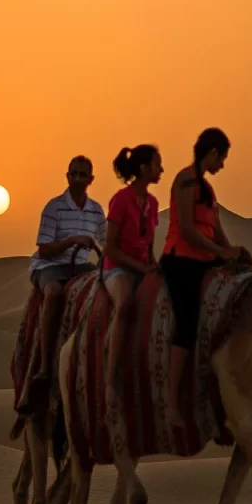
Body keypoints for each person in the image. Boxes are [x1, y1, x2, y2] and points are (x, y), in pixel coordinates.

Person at [160, 128, 251, 427]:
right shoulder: (185, 181)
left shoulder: (208, 191)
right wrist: (219, 252)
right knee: (186, 324)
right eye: (222, 158)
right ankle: (171, 403)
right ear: (212, 153)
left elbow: (217, 231)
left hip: (205, 260)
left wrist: (232, 253)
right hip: (181, 261)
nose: (222, 164)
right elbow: (187, 229)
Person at [28, 155, 106, 384]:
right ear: (67, 176)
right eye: (74, 174)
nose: (78, 179)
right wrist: (72, 240)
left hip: (81, 267)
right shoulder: (54, 208)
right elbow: (44, 250)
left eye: (83, 175)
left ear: (91, 179)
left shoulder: (96, 211)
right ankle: (44, 366)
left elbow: (108, 240)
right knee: (53, 293)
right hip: (50, 266)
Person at [102, 144, 164, 408]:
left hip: (142, 267)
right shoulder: (120, 200)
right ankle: (110, 378)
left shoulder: (152, 203)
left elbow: (148, 246)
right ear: (143, 168)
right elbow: (110, 247)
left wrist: (154, 266)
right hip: (116, 268)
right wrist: (141, 268)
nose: (161, 169)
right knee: (125, 301)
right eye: (157, 164)